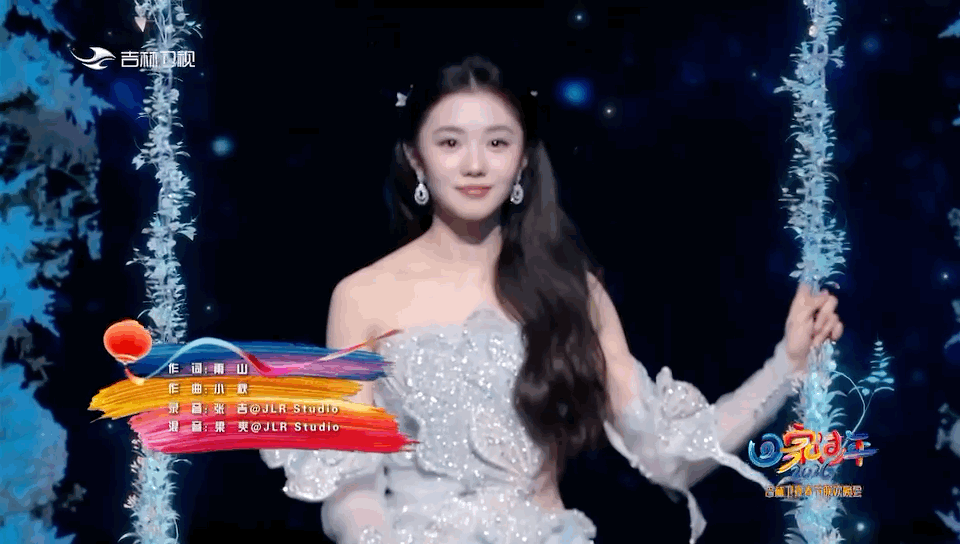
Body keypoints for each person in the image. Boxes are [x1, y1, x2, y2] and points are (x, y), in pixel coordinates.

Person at [261, 55, 844, 544]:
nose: (474, 164)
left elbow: (667, 455)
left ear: (522, 159)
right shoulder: (361, 297)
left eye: (497, 142)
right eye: (450, 142)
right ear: (416, 157)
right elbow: (349, 487)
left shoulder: (571, 291)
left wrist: (786, 366)